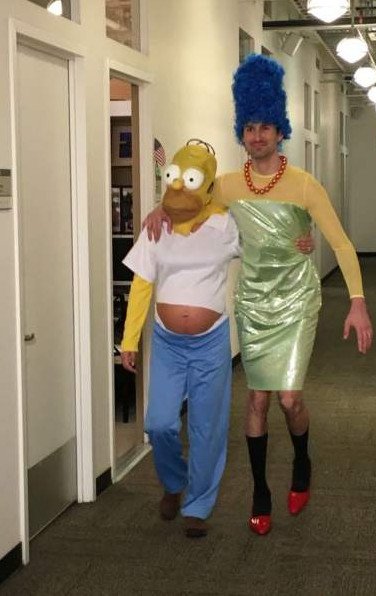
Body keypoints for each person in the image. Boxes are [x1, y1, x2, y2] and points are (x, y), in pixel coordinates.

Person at [144, 54, 373, 537]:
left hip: (295, 301)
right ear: (241, 133)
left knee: (289, 400)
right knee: (256, 402)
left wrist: (357, 301)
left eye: (265, 126)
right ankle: (260, 492)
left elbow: (341, 243)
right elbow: (187, 205)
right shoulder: (227, 186)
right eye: (249, 127)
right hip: (252, 302)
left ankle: (302, 461)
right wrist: (159, 210)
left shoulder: (304, 186)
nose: (257, 135)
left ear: (280, 129)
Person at [120, 140, 240, 538]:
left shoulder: (224, 225)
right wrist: (129, 340)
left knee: (208, 427)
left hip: (211, 342)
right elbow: (141, 284)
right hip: (168, 342)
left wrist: (299, 242)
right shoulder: (158, 226)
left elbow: (261, 248)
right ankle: (174, 482)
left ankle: (198, 504)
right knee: (159, 424)